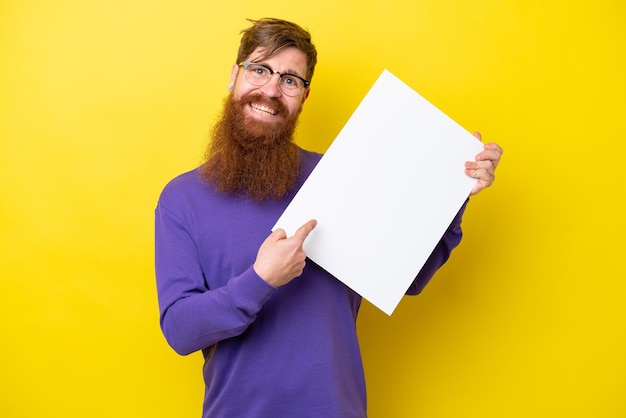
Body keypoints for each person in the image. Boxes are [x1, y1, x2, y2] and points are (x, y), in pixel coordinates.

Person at [155, 18, 503, 418]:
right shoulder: (182, 198)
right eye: (260, 70)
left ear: (304, 96)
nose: (270, 90)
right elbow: (181, 331)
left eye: (290, 80)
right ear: (235, 75)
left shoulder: (339, 176)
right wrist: (260, 280)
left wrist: (453, 195)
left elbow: (409, 280)